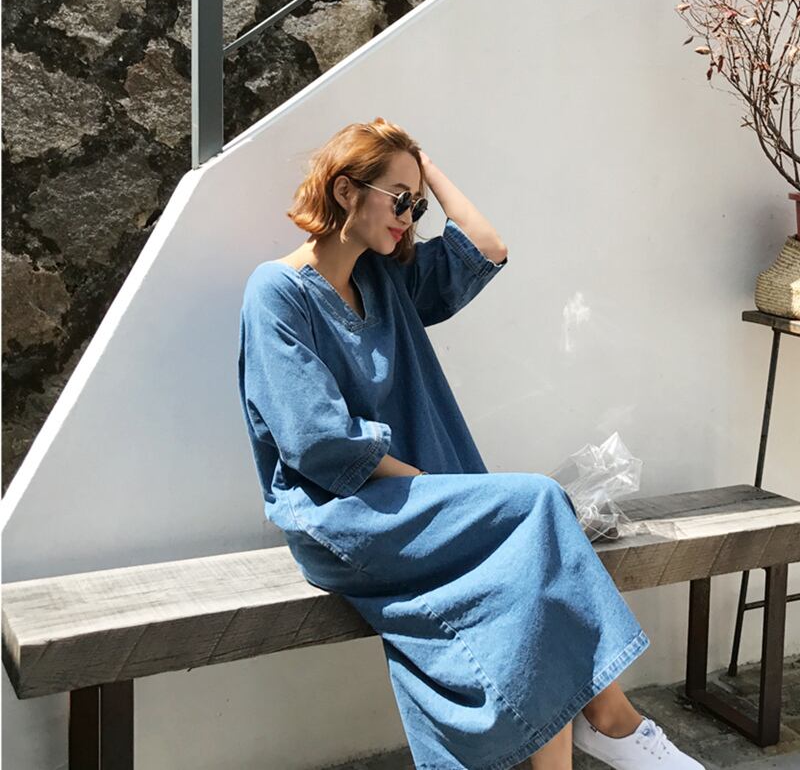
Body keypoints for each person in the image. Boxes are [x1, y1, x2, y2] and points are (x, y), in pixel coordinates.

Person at [237, 117, 705, 770]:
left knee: (531, 562)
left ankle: (600, 731)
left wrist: (421, 166)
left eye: (417, 204)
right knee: (539, 503)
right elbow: (318, 443)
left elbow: (486, 247)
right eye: (399, 199)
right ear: (346, 191)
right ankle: (613, 722)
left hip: (412, 505)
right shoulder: (277, 293)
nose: (409, 217)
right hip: (340, 519)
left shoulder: (384, 280)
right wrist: (434, 486)